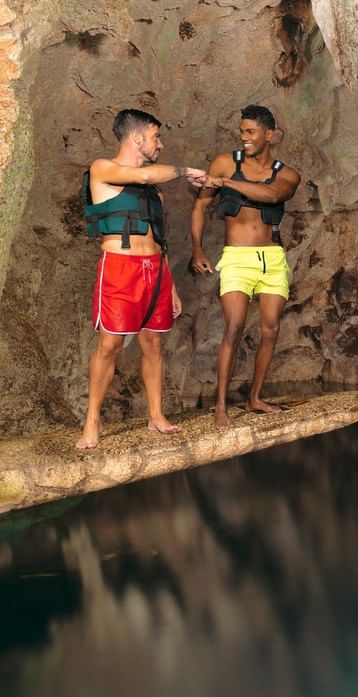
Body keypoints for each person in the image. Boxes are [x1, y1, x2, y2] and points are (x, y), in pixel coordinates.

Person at [78, 109, 207, 449]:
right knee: (110, 346)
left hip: (155, 271)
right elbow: (147, 176)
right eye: (155, 137)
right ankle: (92, 419)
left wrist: (171, 287)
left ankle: (156, 415)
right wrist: (185, 171)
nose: (160, 144)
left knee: (154, 344)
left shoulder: (155, 195)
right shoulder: (102, 168)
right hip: (121, 268)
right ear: (136, 138)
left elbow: (159, 242)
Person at [191, 105, 301, 428]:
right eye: (241, 132)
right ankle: (221, 406)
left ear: (270, 135)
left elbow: (271, 195)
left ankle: (254, 398)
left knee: (270, 329)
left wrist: (225, 182)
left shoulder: (287, 173)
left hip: (272, 259)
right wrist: (197, 248)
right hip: (238, 258)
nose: (244, 138)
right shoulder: (226, 162)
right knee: (234, 326)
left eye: (251, 132)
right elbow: (201, 204)